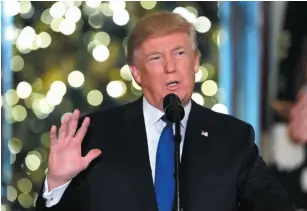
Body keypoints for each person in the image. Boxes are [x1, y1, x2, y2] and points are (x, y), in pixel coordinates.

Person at [35, 11, 295, 211]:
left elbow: (274, 205)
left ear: (195, 62)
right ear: (137, 72)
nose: (170, 67)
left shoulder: (233, 137)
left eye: (179, 53)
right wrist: (57, 183)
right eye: (156, 58)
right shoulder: (96, 134)